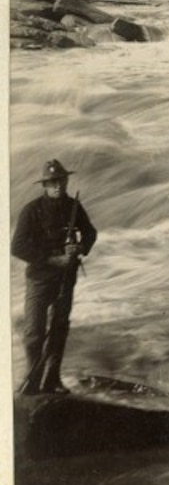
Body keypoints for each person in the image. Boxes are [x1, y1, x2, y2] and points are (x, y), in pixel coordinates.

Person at [12, 159, 97, 395]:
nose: (57, 186)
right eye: (52, 182)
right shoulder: (32, 210)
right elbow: (17, 247)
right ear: (44, 185)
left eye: (60, 180)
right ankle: (32, 379)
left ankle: (52, 380)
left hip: (65, 278)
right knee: (33, 333)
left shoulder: (74, 207)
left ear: (66, 180)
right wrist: (51, 259)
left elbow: (90, 232)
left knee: (59, 328)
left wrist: (79, 248)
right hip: (39, 278)